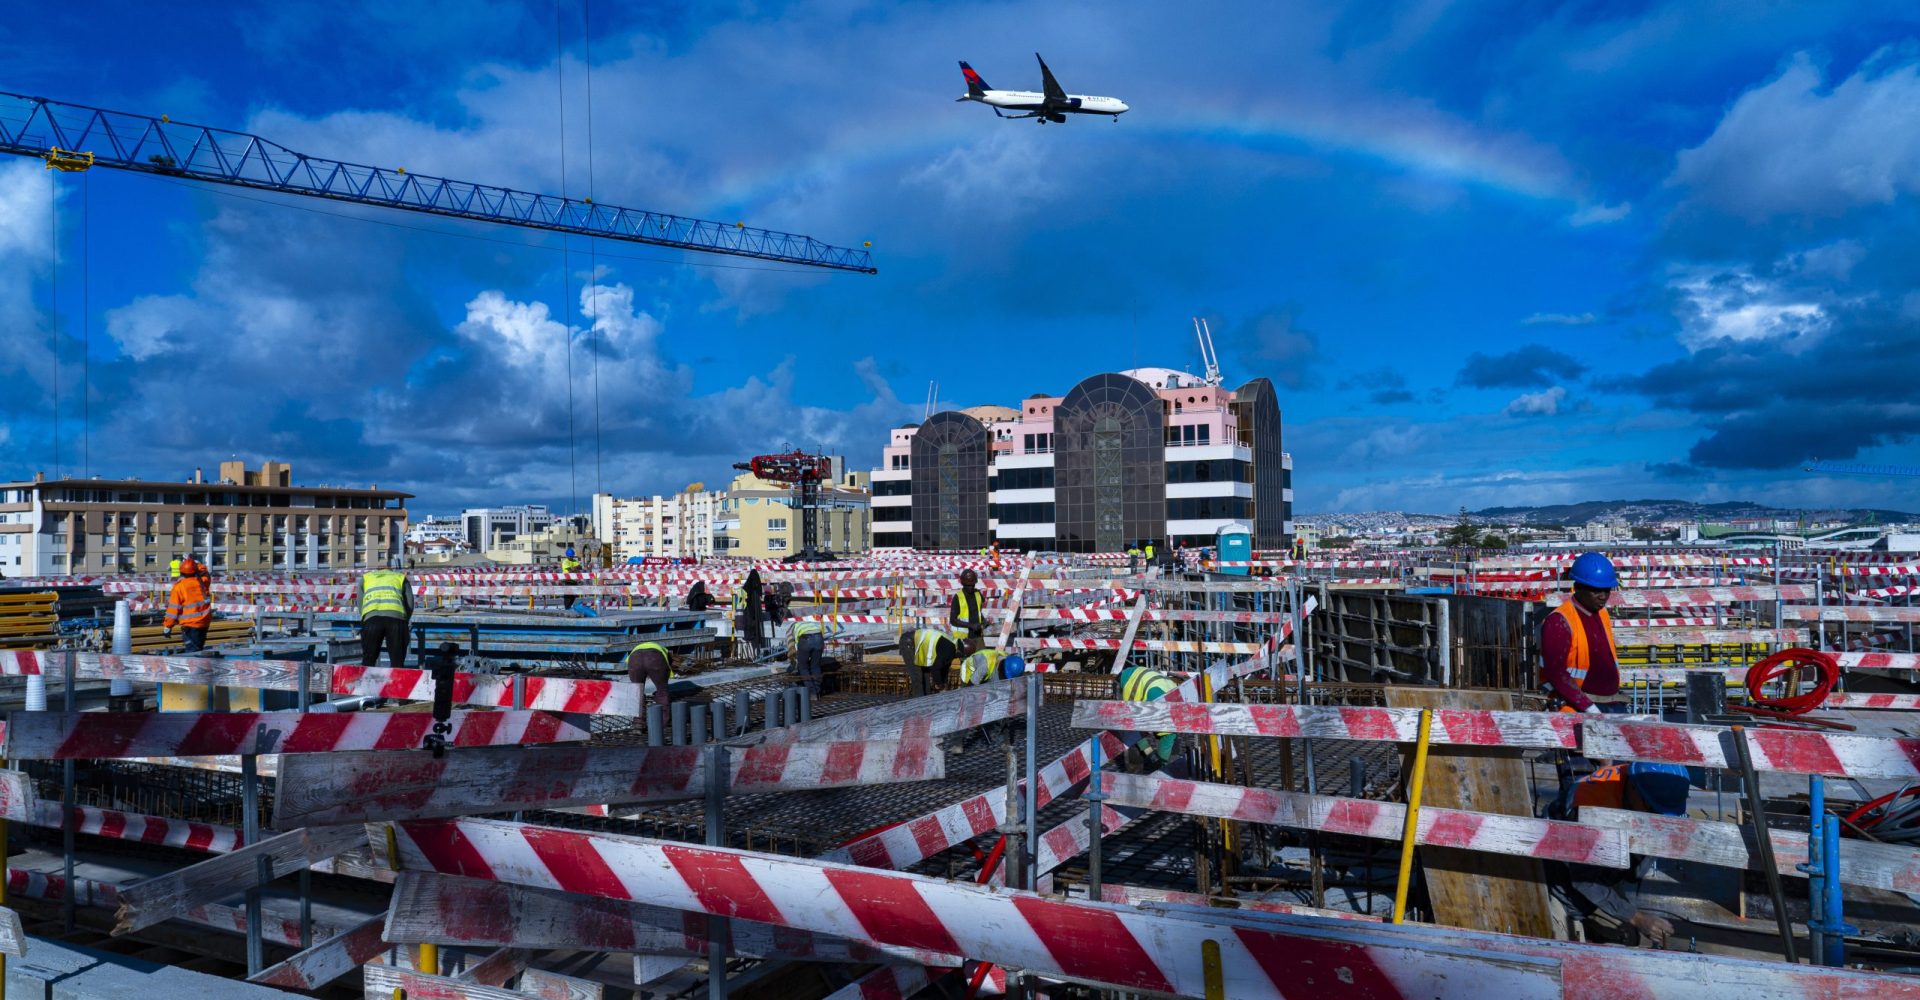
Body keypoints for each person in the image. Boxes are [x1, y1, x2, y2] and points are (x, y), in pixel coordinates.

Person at [1547, 762, 1690, 947]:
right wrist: (1637, 918)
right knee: (1568, 947)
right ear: (1634, 789)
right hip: (1562, 878)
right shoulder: (1592, 811)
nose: (1656, 817)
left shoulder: (1640, 775)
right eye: (1653, 809)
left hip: (1600, 868)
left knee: (1630, 934)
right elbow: (1584, 881)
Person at [1541, 552, 1623, 715]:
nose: (1603, 596)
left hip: (1609, 703)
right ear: (1578, 587)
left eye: (1607, 590)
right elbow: (1556, 673)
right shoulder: (1559, 621)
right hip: (1576, 708)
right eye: (1596, 591)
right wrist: (1588, 707)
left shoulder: (1601, 613)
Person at [1116, 665, 1178, 769]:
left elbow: (1130, 715)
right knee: (1171, 731)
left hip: (1156, 693)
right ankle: (1158, 761)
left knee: (1165, 733)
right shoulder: (1138, 672)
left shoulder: (1129, 684)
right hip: (1173, 689)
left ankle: (1157, 764)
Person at [358, 565, 416, 670]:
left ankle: (366, 679)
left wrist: (365, 618)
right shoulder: (400, 577)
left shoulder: (366, 578)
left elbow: (360, 602)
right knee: (397, 661)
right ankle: (397, 679)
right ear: (390, 570)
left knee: (368, 660)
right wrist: (404, 619)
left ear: (377, 570)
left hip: (372, 619)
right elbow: (410, 603)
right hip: (397, 619)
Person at [162, 557, 213, 652]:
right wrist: (196, 564)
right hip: (204, 622)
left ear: (181, 572)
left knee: (192, 653)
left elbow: (173, 609)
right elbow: (205, 572)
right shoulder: (203, 581)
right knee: (199, 649)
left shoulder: (179, 587)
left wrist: (167, 626)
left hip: (190, 624)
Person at [898, 627, 960, 697]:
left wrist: (943, 683)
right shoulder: (949, 650)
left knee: (926, 673)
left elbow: (944, 668)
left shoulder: (951, 645)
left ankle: (927, 699)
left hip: (920, 644)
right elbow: (935, 669)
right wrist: (941, 686)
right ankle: (919, 701)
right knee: (917, 674)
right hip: (909, 642)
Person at [625, 640, 673, 708]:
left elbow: (628, 662)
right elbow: (667, 667)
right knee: (662, 691)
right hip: (655, 657)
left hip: (634, 659)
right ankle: (663, 713)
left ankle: (639, 714)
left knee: (637, 693)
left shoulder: (636, 649)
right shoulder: (664, 651)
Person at [949, 569, 986, 652]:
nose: (971, 587)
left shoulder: (978, 594)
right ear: (963, 584)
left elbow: (978, 612)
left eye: (972, 585)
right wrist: (971, 625)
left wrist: (984, 621)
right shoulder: (958, 597)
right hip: (963, 639)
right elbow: (953, 620)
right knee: (966, 660)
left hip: (977, 636)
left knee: (982, 657)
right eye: (968, 585)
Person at [790, 617, 827, 695]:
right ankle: (817, 691)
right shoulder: (808, 624)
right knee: (815, 666)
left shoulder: (789, 630)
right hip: (819, 637)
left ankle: (812, 692)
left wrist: (793, 662)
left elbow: (791, 650)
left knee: (803, 667)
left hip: (806, 639)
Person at [743, 569, 766, 650]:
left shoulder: (747, 586)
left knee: (751, 627)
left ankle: (753, 646)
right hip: (755, 611)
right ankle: (758, 645)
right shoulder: (757, 587)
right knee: (756, 628)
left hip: (749, 611)